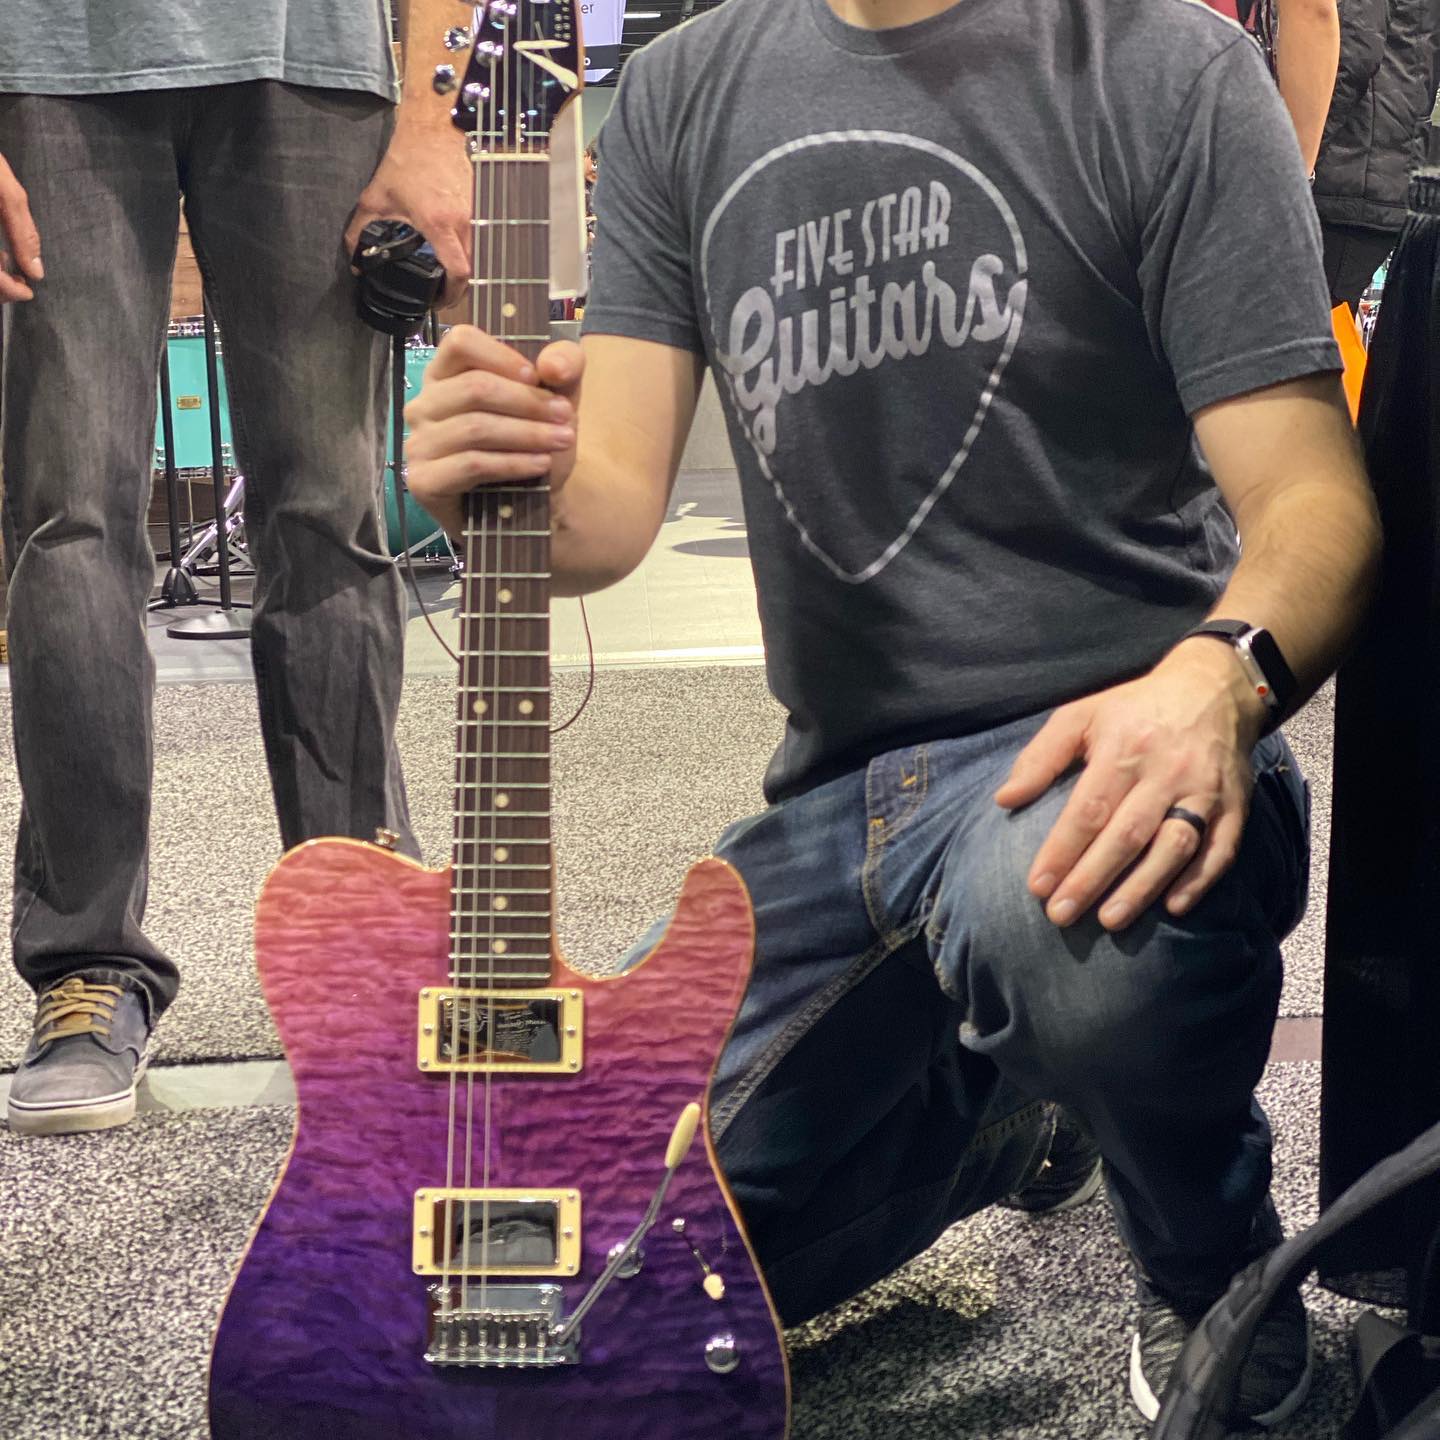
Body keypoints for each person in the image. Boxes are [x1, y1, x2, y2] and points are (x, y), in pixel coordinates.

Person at [405, 0, 1380, 1426]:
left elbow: (1315, 501)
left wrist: (1213, 677)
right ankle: (1004, 1125)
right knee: (574, 1287)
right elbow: (600, 511)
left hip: (1102, 741)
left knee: (1072, 936)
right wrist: (487, 484)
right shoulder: (681, 90)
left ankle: (1216, 1278)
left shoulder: (1172, 67)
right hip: (837, 803)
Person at [0, 0, 472, 1136]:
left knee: (328, 508)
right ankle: (88, 965)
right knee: (69, 520)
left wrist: (429, 117)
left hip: (308, 58)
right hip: (46, 60)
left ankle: (360, 944)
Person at [1310, 0, 1440, 310]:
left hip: (1346, 173)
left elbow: (1350, 52)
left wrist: (1294, 158)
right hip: (1377, 168)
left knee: (1312, 323)